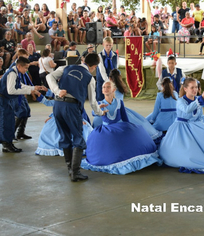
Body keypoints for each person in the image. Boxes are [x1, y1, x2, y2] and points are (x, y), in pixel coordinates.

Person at [46, 52, 106, 182]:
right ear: (94, 66)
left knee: (64, 136)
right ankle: (75, 172)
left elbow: (49, 77)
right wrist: (101, 113)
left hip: (57, 105)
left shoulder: (66, 68)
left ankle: (69, 168)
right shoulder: (90, 78)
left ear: (84, 60)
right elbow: (93, 102)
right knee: (78, 137)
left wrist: (56, 91)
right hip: (71, 108)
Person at [82, 81, 160, 175]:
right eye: (103, 87)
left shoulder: (119, 102)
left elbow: (125, 119)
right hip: (107, 130)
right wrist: (98, 109)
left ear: (113, 90)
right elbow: (94, 113)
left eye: (108, 87)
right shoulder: (100, 103)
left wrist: (131, 129)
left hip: (120, 127)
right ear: (102, 91)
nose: (105, 89)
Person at [93, 69, 163, 141]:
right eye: (104, 87)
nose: (106, 88)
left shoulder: (113, 89)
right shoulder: (121, 87)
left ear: (110, 78)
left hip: (115, 109)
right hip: (119, 109)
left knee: (98, 122)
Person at [0, 57, 44, 152]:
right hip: (2, 99)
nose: (26, 70)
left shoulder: (16, 72)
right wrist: (30, 90)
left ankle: (9, 143)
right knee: (4, 121)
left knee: (9, 120)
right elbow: (11, 90)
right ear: (19, 66)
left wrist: (33, 88)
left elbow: (20, 85)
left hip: (6, 99)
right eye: (25, 68)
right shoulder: (12, 73)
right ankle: (5, 144)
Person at [35, 92, 93, 156]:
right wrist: (40, 96)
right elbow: (48, 102)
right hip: (59, 117)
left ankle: (75, 148)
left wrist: (80, 119)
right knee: (48, 130)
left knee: (81, 130)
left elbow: (79, 110)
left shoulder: (74, 99)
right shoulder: (58, 100)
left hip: (72, 117)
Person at [96, 37, 118, 101]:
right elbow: (102, 70)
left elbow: (116, 68)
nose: (108, 47)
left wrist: (113, 80)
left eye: (110, 45)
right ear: (103, 45)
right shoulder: (99, 55)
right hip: (102, 81)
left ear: (112, 45)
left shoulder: (115, 55)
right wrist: (107, 82)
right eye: (107, 45)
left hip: (111, 80)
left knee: (111, 99)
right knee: (100, 99)